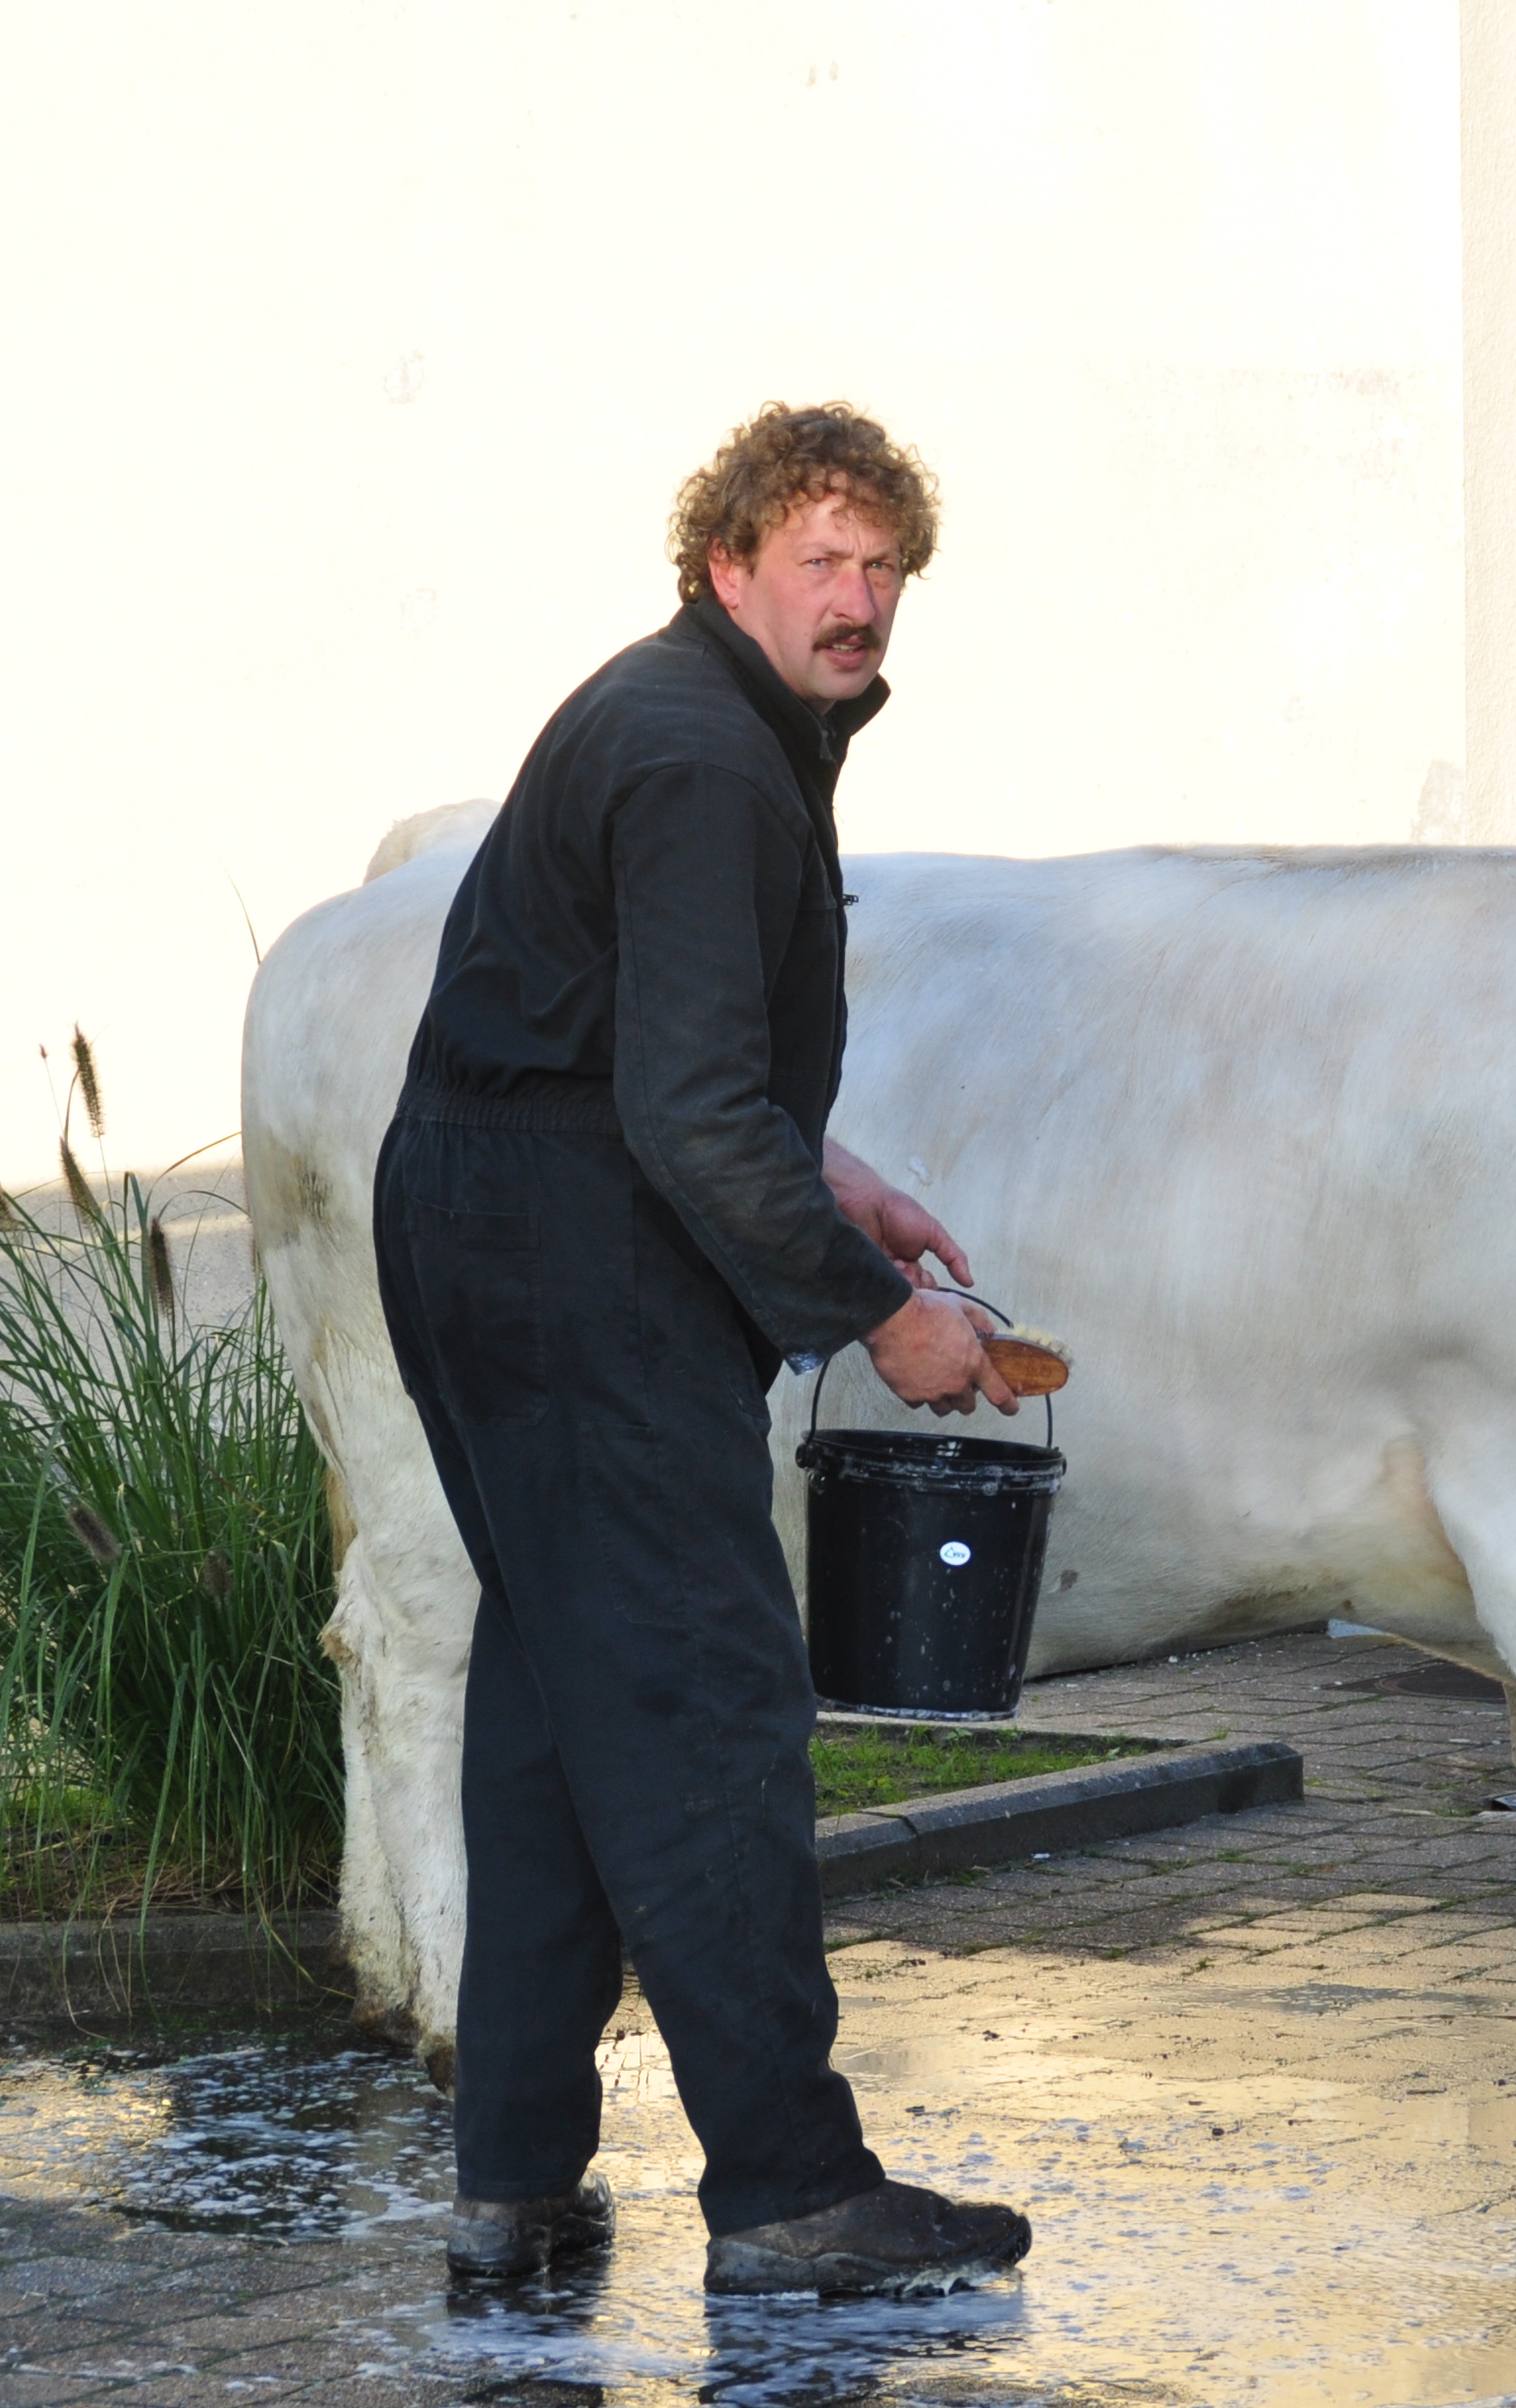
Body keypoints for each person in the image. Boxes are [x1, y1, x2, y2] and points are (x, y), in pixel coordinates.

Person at [379, 402, 1034, 2297]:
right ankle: (787, 2188)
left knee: (559, 1704)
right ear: (726, 566)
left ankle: (510, 2173)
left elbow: (645, 1047)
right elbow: (678, 1109)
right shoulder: (703, 758)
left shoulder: (701, 726)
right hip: (573, 1252)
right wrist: (875, 1311)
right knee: (706, 1695)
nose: (859, 599)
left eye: (882, 566)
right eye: (820, 561)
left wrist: (845, 1191)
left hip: (498, 1210)